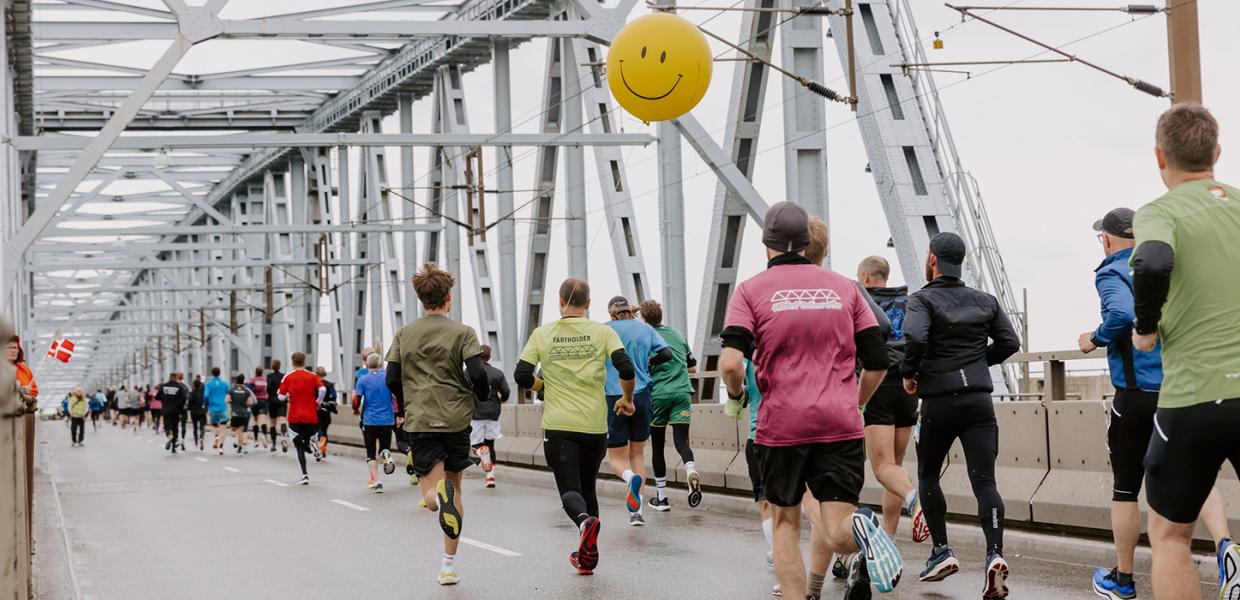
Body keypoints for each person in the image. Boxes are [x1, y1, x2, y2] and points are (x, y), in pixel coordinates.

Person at [718, 201, 900, 600]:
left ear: (766, 242)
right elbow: (878, 362)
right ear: (806, 242)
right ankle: (863, 527)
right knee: (838, 529)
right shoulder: (845, 288)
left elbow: (731, 364)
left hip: (781, 426)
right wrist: (855, 403)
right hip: (839, 422)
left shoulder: (750, 291)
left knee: (785, 523)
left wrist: (736, 394)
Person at [1081, 206, 1236, 600]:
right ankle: (1226, 547)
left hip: (1136, 396)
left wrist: (1096, 338)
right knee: (1198, 474)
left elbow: (1122, 312)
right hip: (1184, 391)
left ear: (1109, 239)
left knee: (1126, 489)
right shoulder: (1167, 267)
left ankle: (1123, 579)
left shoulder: (1112, 270)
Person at [1129, 103, 1240, 600]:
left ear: (1159, 156)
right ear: (1217, 152)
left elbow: (1152, 260)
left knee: (1170, 533)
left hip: (1196, 398)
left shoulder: (1159, 211)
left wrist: (1146, 328)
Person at [900, 232, 1021, 598]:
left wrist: (909, 373)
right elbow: (1010, 343)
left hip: (939, 402)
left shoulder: (921, 299)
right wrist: (975, 362)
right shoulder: (985, 300)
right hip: (979, 403)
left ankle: (941, 552)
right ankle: (994, 555)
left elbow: (917, 339)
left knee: (928, 474)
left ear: (932, 260)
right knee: (985, 482)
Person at [514, 277, 635, 576]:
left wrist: (544, 387)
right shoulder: (602, 332)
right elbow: (626, 368)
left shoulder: (542, 334)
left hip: (559, 425)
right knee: (588, 487)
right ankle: (587, 559)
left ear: (560, 300)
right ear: (589, 304)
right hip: (594, 425)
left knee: (570, 489)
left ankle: (584, 522)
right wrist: (627, 399)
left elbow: (521, 374)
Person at [385, 263, 490, 586]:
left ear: (421, 298)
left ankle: (435, 496)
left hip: (421, 418)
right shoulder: (463, 332)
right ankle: (448, 565)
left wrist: (407, 404)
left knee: (431, 494)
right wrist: (480, 395)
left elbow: (391, 377)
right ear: (448, 297)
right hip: (456, 418)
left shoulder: (405, 334)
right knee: (455, 488)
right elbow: (477, 373)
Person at [856, 255, 927, 545]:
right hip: (908, 387)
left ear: (865, 278)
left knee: (883, 468)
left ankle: (916, 501)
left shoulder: (861, 302)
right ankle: (889, 537)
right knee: (895, 464)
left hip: (878, 385)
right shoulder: (910, 301)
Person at [603, 295, 672, 526]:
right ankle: (637, 512)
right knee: (638, 454)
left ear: (612, 312)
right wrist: (647, 365)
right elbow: (666, 354)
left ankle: (629, 478)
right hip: (642, 396)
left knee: (616, 458)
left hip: (615, 396)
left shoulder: (605, 330)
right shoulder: (645, 329)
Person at [637, 300, 700, 511]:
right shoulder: (677, 335)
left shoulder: (645, 337)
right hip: (682, 393)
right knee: (682, 442)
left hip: (658, 396)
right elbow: (692, 368)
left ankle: (662, 497)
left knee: (657, 447)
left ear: (644, 319)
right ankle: (690, 469)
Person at [278, 352, 327, 484]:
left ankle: (304, 475)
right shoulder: (312, 376)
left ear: (292, 362)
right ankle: (313, 443)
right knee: (310, 436)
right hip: (310, 414)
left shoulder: (287, 377)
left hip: (294, 416)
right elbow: (322, 389)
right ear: (304, 362)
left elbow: (280, 397)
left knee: (299, 447)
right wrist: (318, 402)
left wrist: (288, 395)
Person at [355, 353, 396, 492]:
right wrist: (400, 414)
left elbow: (356, 400)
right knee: (384, 446)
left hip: (370, 420)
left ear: (367, 364)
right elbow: (397, 396)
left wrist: (355, 410)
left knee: (371, 453)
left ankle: (377, 482)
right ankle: (386, 455)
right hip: (387, 420)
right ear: (380, 364)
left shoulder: (362, 379)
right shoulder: (387, 378)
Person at [472, 345, 509, 489]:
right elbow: (506, 391)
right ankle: (490, 477)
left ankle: (481, 453)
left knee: (476, 445)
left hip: (476, 412)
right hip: (493, 412)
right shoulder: (497, 373)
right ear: (490, 356)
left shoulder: (469, 373)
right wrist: (502, 399)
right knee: (490, 445)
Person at [157, 373, 188, 455]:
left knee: (167, 428)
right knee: (175, 427)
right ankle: (174, 447)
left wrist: (164, 399)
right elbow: (184, 397)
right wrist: (180, 405)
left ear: (169, 377)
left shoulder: (163, 386)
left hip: (166, 410)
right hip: (176, 411)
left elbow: (157, 397)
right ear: (176, 378)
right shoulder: (179, 386)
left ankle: (170, 437)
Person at [8, 336, 37, 415]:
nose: (13, 350)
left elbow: (34, 390)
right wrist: (21, 390)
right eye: (9, 348)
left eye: (15, 348)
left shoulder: (25, 370)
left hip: (22, 417)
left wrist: (28, 396)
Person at [204, 368, 230, 455]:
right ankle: (221, 448)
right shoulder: (225, 384)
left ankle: (216, 436)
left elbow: (206, 396)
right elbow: (228, 394)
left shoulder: (208, 384)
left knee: (214, 425)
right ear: (219, 373)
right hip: (222, 408)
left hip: (213, 409)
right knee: (223, 428)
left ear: (212, 373)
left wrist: (206, 404)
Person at [226, 374, 255, 455]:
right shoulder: (246, 391)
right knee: (241, 431)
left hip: (234, 413)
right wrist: (245, 405)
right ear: (243, 381)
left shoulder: (232, 390)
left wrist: (233, 402)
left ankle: (236, 442)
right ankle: (240, 448)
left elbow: (227, 400)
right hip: (243, 413)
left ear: (236, 381)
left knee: (234, 429)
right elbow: (250, 402)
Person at [313, 366, 338, 458]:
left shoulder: (314, 385)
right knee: (325, 430)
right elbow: (334, 397)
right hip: (326, 411)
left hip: (316, 410)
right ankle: (324, 447)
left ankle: (320, 444)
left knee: (318, 429)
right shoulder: (329, 385)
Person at [266, 359, 289, 452]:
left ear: (272, 367)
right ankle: (284, 438)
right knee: (283, 420)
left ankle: (274, 444)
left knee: (272, 423)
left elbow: (268, 389)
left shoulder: (269, 376)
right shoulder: (284, 376)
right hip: (282, 400)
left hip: (272, 401)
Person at [247, 367, 270, 450]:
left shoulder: (253, 380)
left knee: (255, 420)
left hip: (255, 401)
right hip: (264, 401)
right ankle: (264, 436)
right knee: (263, 421)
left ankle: (256, 440)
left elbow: (249, 390)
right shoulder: (265, 380)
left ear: (255, 372)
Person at [188, 378, 206, 451]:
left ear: (193, 385)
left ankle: (196, 441)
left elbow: (190, 402)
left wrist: (189, 408)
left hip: (194, 412)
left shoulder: (192, 393)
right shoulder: (203, 393)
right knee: (202, 426)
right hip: (201, 411)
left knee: (195, 427)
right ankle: (201, 437)